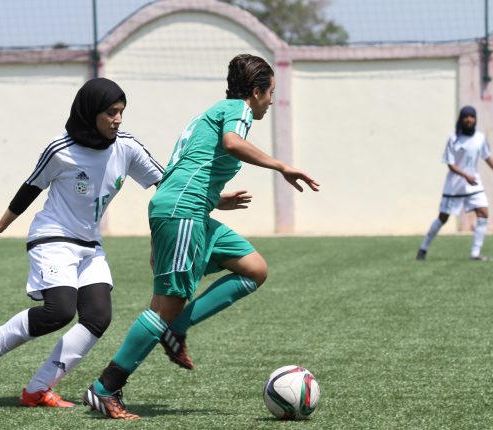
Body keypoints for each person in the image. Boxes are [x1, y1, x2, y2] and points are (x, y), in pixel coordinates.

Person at [82, 54, 320, 420]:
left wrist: (215, 199)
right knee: (166, 304)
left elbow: (180, 167)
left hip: (189, 211)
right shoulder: (237, 111)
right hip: (184, 213)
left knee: (253, 269)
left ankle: (177, 326)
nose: (272, 100)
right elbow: (231, 144)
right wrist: (282, 165)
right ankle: (105, 388)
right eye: (270, 92)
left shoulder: (207, 114)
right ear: (255, 92)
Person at [0, 78, 166, 408]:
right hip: (52, 238)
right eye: (111, 112)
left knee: (98, 317)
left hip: (90, 246)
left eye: (121, 112)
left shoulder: (127, 147)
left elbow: (166, 182)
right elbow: (31, 187)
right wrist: (0, 225)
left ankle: (38, 389)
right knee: (59, 311)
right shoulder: (61, 149)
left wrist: (212, 198)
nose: (118, 119)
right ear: (90, 112)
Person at [416, 105, 493, 261]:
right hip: (455, 185)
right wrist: (465, 175)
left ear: (475, 119)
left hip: (473, 184)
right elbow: (450, 164)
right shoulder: (453, 138)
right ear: (461, 119)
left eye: (471, 116)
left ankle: (475, 253)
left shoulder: (480, 138)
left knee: (484, 213)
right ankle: (423, 248)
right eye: (465, 116)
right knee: (443, 218)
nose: (469, 119)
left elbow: (487, 157)